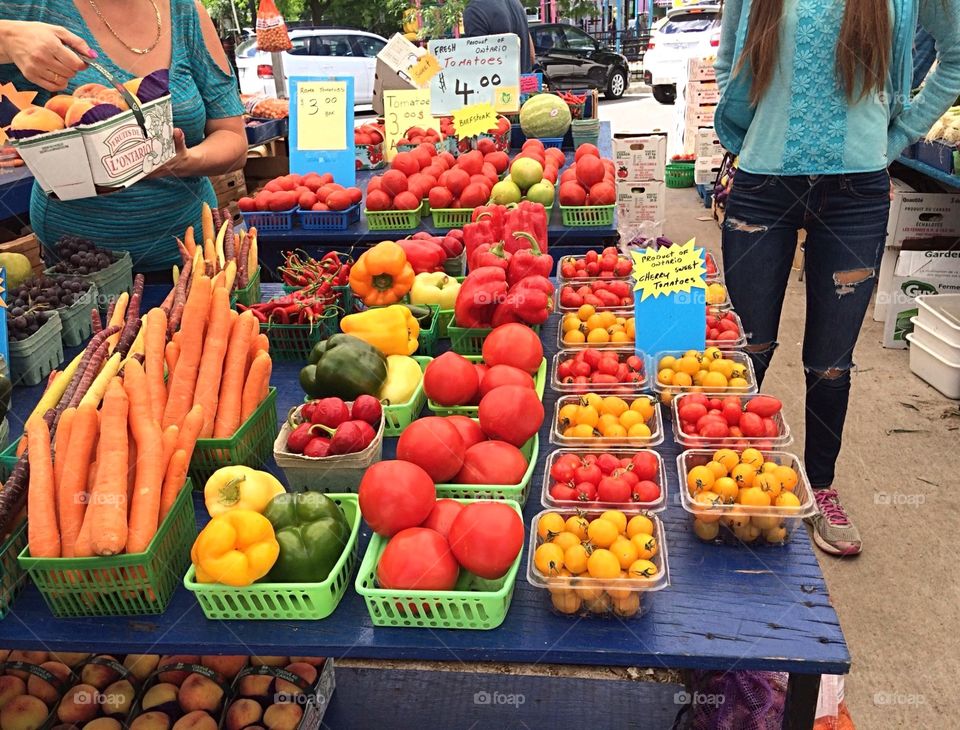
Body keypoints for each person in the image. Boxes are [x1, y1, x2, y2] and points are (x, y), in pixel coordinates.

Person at [714, 0, 960, 556]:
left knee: (830, 363)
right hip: (763, 188)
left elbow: (955, 60)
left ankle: (820, 486)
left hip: (856, 196)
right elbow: (730, 60)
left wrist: (893, 141)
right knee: (747, 347)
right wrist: (747, 145)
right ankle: (727, 479)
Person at [0, 0, 247, 272]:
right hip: (79, 269)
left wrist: (182, 161)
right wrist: (7, 37)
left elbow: (232, 137)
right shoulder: (30, 7)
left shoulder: (185, 11)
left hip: (191, 258)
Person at [462, 0, 534, 73]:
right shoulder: (517, 4)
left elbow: (477, 67)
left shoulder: (474, 11)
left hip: (497, 83)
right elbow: (532, 56)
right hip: (524, 81)